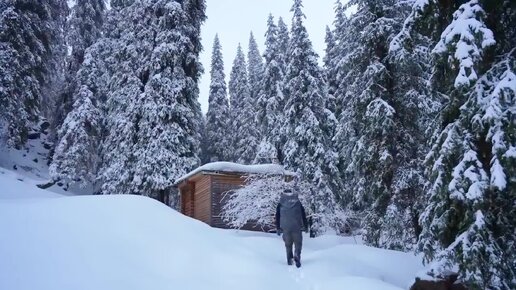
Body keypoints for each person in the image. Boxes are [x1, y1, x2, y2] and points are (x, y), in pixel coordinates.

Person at [275, 188, 308, 268]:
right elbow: (303, 214)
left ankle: (289, 260)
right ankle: (297, 254)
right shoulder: (297, 202)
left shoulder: (280, 203)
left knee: (288, 245)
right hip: (296, 226)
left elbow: (277, 216)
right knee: (298, 243)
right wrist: (305, 226)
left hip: (285, 227)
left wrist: (278, 227)